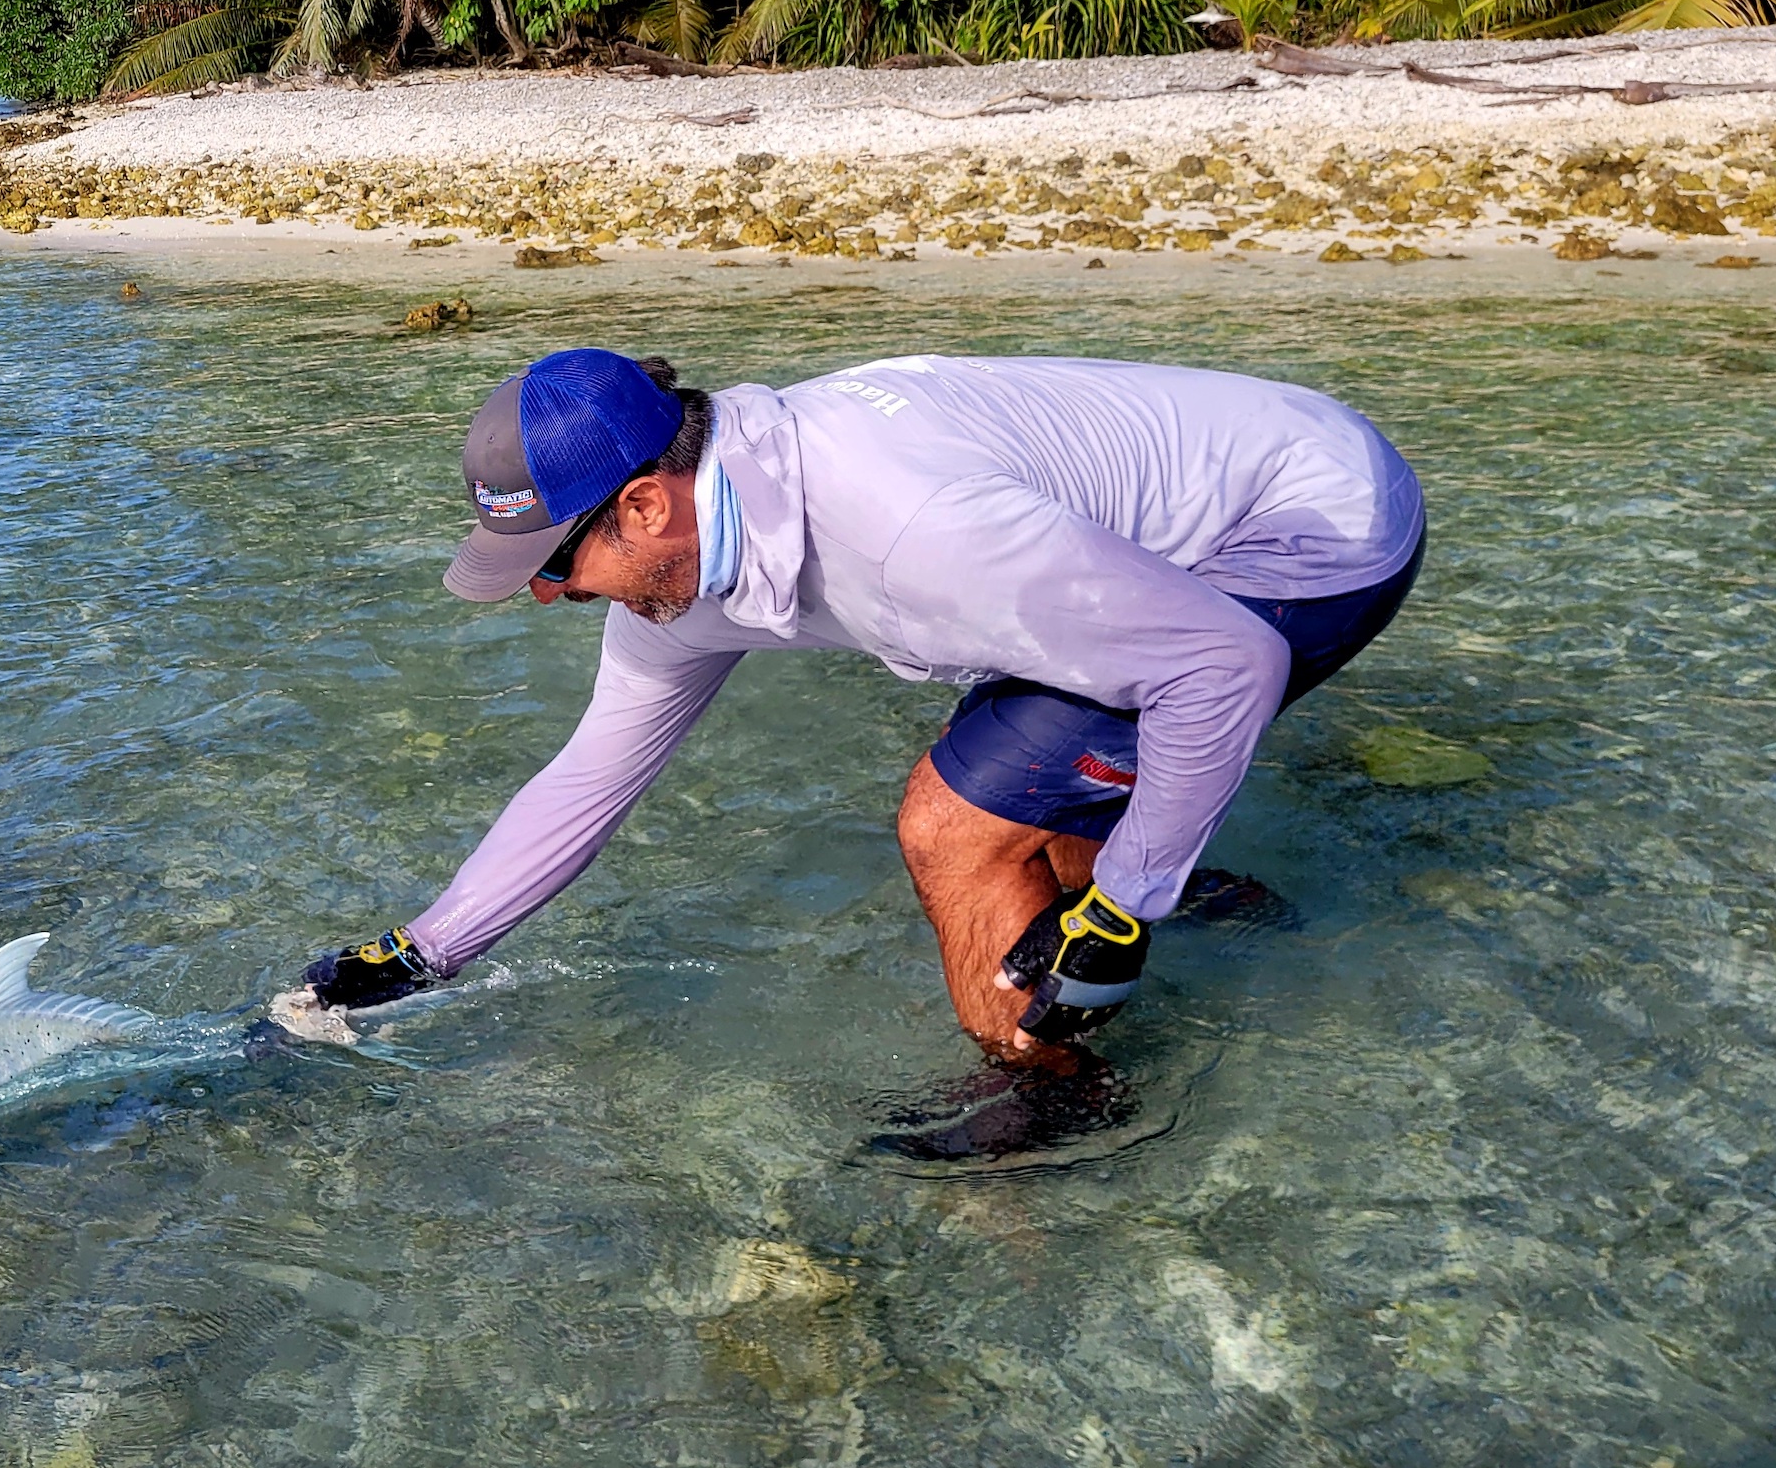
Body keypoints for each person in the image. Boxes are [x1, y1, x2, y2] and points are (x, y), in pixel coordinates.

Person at [302, 348, 1424, 1058]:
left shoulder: (909, 529)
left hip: (1310, 532)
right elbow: (589, 775)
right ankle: (1211, 895)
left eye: (551, 563)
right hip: (1220, 486)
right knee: (1037, 765)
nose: (545, 595)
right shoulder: (690, 570)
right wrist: (420, 951)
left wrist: (1129, 904)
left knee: (954, 822)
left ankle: (1050, 1106)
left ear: (643, 505)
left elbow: (1222, 665)